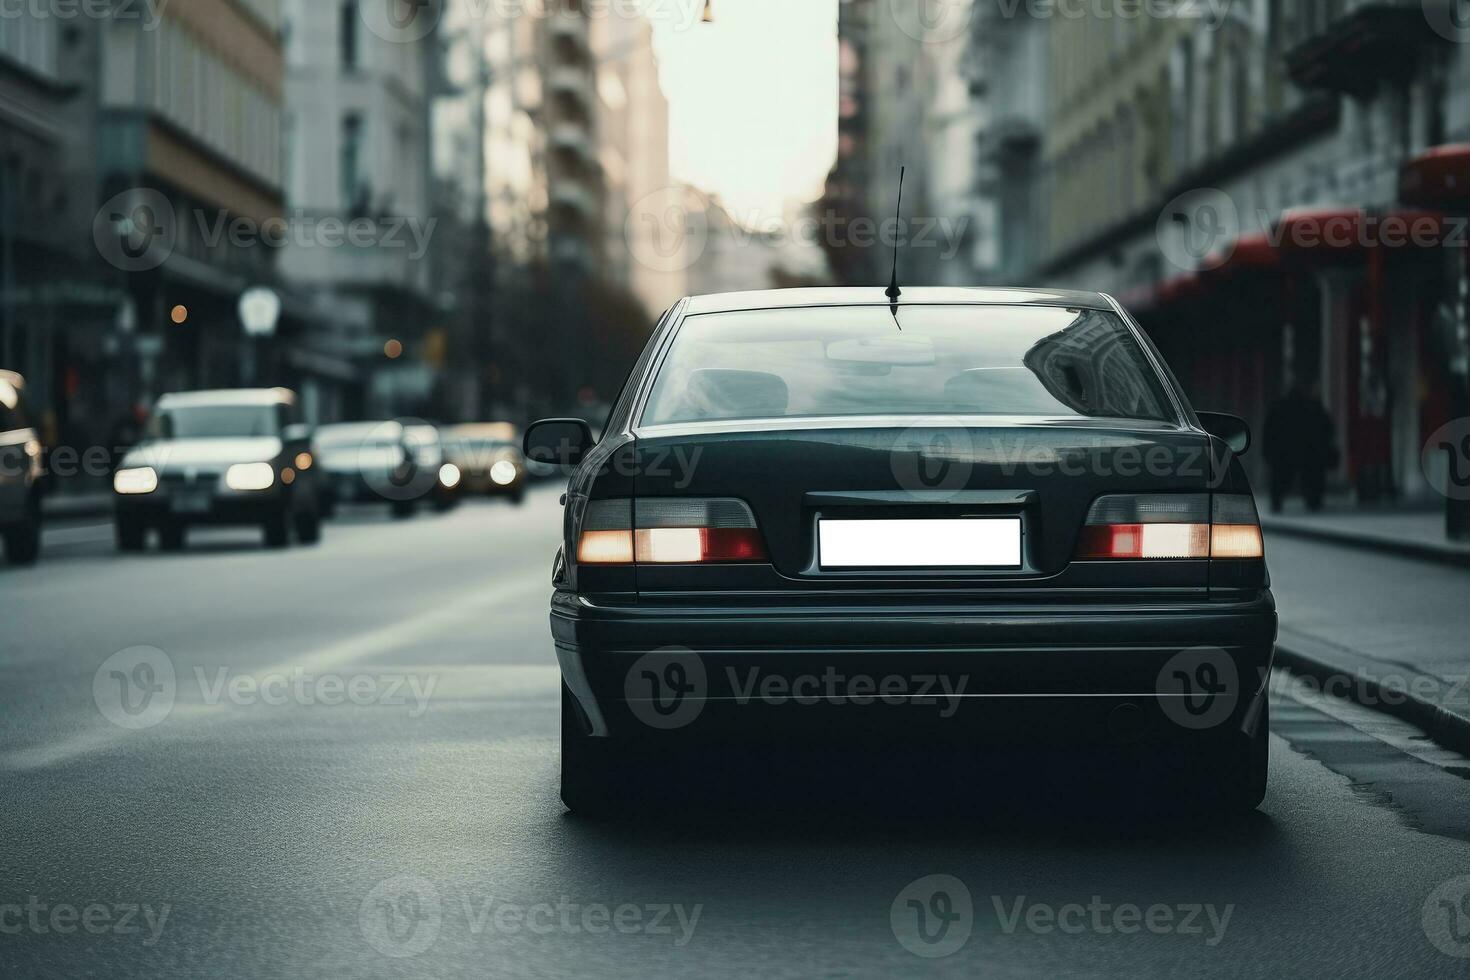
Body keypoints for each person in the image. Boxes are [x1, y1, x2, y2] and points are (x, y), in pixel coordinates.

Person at [1263, 381, 1338, 513]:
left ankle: (1278, 502)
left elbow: (1268, 432)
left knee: (1280, 478)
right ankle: (1313, 500)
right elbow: (1327, 428)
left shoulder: (1279, 408)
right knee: (1312, 476)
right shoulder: (1311, 407)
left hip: (1285, 452)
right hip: (1307, 451)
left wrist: (1267, 451)